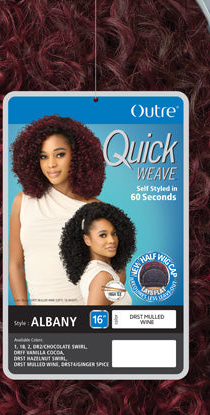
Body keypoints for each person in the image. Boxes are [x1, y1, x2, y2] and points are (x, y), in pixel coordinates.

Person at [8, 115, 105, 305]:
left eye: (59, 154)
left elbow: (113, 270)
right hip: (39, 317)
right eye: (43, 156)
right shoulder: (22, 202)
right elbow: (15, 264)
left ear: (77, 156)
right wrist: (22, 312)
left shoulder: (95, 209)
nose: (51, 164)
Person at [59, 202, 136, 306]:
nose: (112, 240)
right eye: (103, 235)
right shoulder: (102, 277)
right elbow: (94, 316)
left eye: (114, 233)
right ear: (87, 240)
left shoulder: (103, 271)